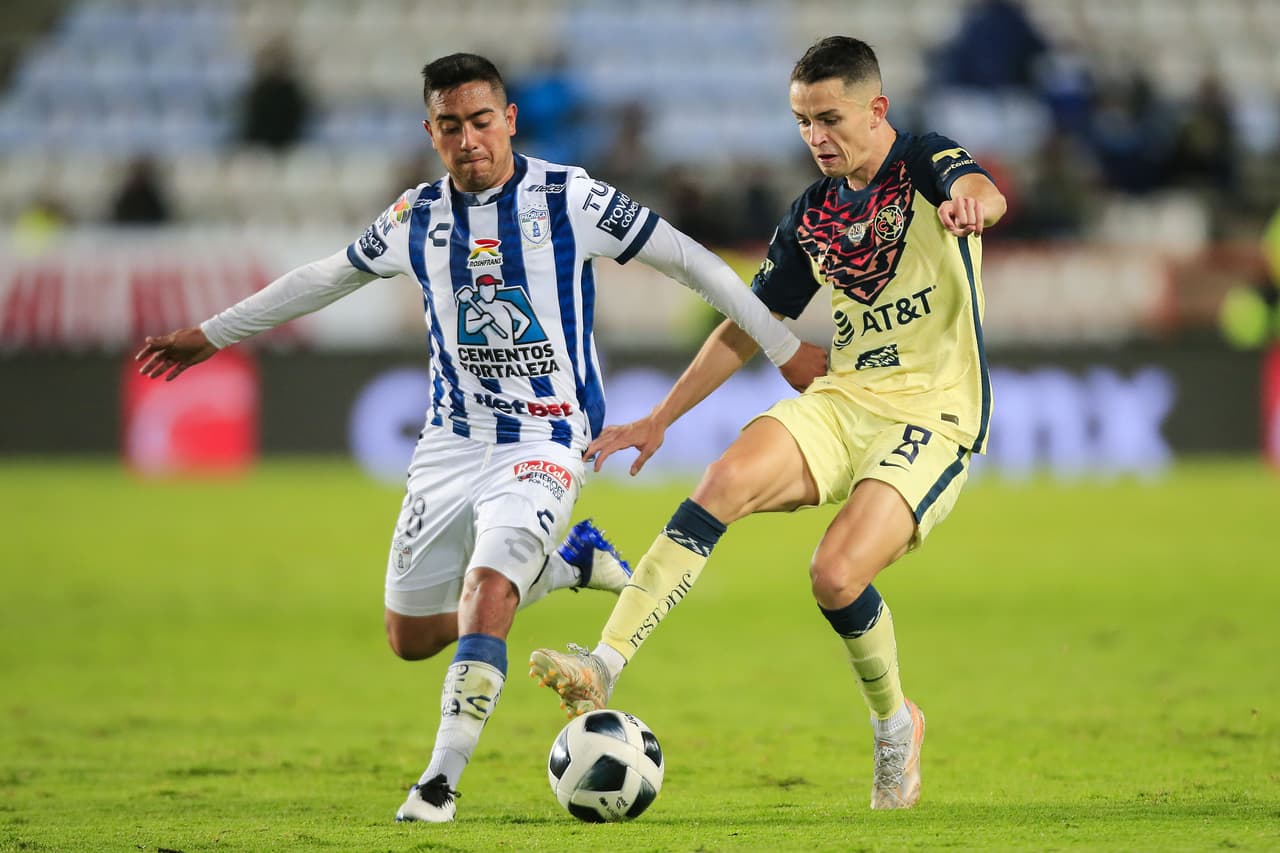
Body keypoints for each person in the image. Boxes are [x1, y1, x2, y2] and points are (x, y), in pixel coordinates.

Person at [134, 52, 826, 823]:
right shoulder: (415, 217)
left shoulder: (571, 197)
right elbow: (322, 277)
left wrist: (783, 344)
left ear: (510, 121)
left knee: (487, 590)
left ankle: (438, 781)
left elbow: (693, 261)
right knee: (411, 635)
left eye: (482, 121)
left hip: (547, 437)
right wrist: (213, 333)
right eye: (452, 126)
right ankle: (570, 568)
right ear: (431, 132)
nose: (470, 140)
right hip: (449, 444)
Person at [531, 36, 1007, 811]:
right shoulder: (815, 213)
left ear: (875, 109)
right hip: (844, 398)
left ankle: (895, 725)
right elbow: (746, 324)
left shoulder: (925, 162)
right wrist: (658, 418)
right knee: (722, 480)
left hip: (933, 413)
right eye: (802, 122)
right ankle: (604, 663)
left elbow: (984, 189)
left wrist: (975, 205)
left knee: (835, 574)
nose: (817, 137)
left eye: (831, 117)